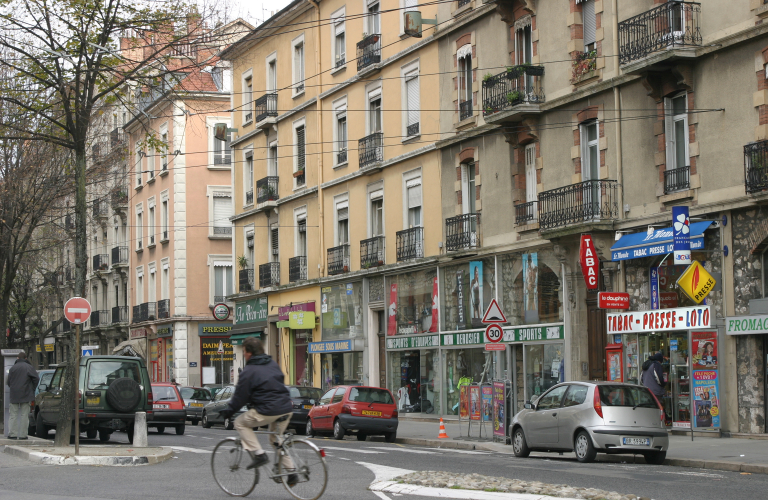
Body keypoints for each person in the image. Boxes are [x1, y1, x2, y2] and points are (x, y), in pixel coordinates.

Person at [219, 338, 296, 484]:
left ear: (249, 353)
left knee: (240, 423)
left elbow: (240, 397)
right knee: (276, 439)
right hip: (286, 407)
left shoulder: (249, 371)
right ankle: (292, 472)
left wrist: (228, 412)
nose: (244, 354)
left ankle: (260, 454)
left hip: (267, 410)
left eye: (244, 351)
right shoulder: (272, 363)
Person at [6, 352, 39, 440]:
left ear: (17, 358)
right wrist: (32, 388)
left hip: (14, 394)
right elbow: (36, 378)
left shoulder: (12, 368)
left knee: (13, 414)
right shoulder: (29, 367)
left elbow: (8, 382)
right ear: (25, 358)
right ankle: (23, 435)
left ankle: (12, 434)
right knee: (24, 415)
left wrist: (13, 388)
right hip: (26, 394)